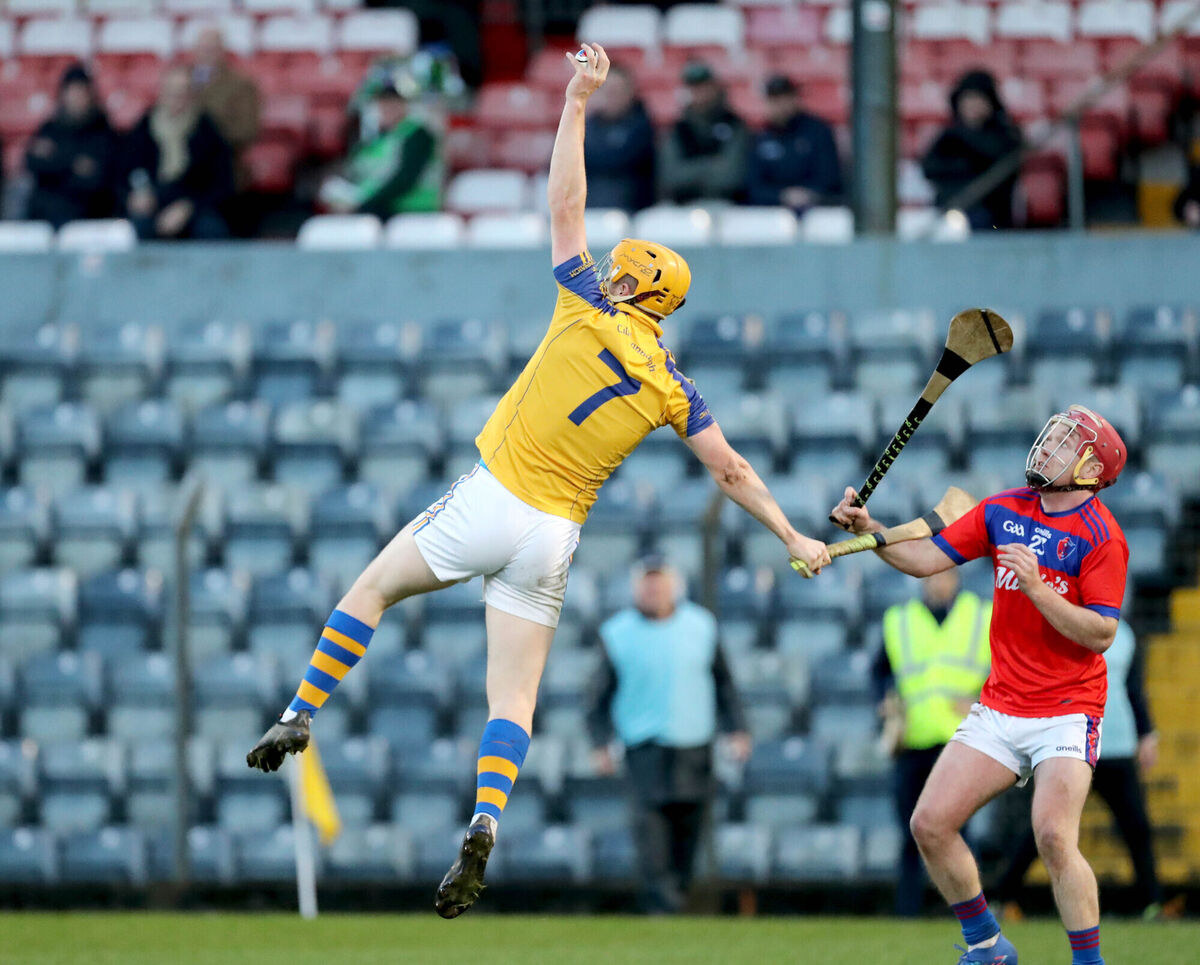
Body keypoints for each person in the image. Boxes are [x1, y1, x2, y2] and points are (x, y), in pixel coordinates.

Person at [247, 42, 829, 920]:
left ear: (629, 283)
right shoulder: (675, 385)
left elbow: (565, 201)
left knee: (371, 587)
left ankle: (301, 709)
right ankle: (485, 820)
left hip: (493, 496)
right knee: (511, 696)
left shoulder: (585, 301)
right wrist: (791, 534)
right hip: (554, 537)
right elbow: (733, 468)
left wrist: (577, 102)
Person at [831, 403, 1128, 965]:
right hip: (1002, 704)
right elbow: (926, 560)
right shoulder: (1003, 510)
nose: (1046, 447)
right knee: (930, 824)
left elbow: (1102, 634)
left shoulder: (1102, 537)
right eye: (1051, 436)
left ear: (1090, 467)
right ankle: (988, 945)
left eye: (1065, 444)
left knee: (1054, 837)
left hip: (1068, 707)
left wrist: (1040, 591)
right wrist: (873, 531)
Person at [585, 555, 752, 914]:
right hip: (644, 747)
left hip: (694, 746)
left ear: (674, 587)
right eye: (647, 584)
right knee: (651, 835)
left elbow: (724, 684)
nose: (653, 591)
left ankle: (675, 900)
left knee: (688, 833)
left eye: (659, 583)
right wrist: (600, 742)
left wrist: (737, 728)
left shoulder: (701, 626)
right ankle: (660, 908)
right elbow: (598, 696)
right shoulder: (618, 633)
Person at [993, 617, 1168, 921]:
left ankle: (1151, 903)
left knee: (1136, 828)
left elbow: (1132, 687)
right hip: (1071, 746)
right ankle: (1004, 895)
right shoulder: (1059, 623)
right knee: (1046, 828)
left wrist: (1146, 734)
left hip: (1116, 746)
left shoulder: (1124, 632)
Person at [873, 567, 991, 917]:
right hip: (913, 741)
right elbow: (879, 671)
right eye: (931, 576)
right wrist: (886, 699)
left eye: (944, 575)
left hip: (962, 741)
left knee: (960, 832)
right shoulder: (900, 620)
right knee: (911, 831)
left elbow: (1008, 668)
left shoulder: (982, 614)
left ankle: (969, 915)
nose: (937, 582)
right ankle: (908, 913)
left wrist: (982, 698)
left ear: (956, 578)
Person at [122, 65, 234, 240]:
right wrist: (135, 195)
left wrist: (188, 207)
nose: (176, 98)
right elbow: (125, 171)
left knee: (212, 230)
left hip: (194, 204)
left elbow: (222, 184)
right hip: (152, 202)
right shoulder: (144, 126)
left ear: (192, 95)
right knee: (135, 230)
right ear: (162, 92)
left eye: (183, 92)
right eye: (171, 91)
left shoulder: (207, 130)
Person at [317, 73, 442, 216]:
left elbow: (404, 179)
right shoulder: (377, 139)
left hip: (411, 212)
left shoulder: (418, 135)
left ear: (405, 105)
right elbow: (357, 174)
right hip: (377, 208)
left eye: (393, 102)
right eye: (383, 102)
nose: (387, 108)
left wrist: (361, 204)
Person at [921, 70, 1022, 231]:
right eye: (967, 98)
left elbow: (1002, 166)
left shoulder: (1006, 135)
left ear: (991, 102)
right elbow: (929, 168)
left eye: (978, 98)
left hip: (992, 217)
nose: (972, 104)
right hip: (950, 211)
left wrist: (968, 146)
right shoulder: (948, 136)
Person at [25, 64, 120, 228]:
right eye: (72, 91)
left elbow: (96, 180)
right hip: (43, 212)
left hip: (86, 213)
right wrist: (74, 163)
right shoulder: (50, 127)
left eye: (82, 91)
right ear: (63, 94)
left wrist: (55, 158)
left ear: (91, 95)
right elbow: (31, 162)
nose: (77, 97)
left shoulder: (104, 131)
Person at [746, 74, 842, 211]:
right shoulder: (760, 137)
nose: (780, 105)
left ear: (795, 98)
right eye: (774, 99)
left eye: (785, 97)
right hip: (770, 212)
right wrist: (782, 196)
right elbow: (753, 185)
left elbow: (830, 176)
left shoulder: (818, 131)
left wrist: (808, 194)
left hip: (818, 210)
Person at [659, 60, 749, 205]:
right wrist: (712, 165)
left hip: (727, 207)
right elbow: (670, 177)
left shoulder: (735, 125)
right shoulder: (677, 129)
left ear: (715, 88)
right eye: (694, 88)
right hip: (683, 208)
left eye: (704, 86)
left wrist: (690, 169)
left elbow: (732, 176)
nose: (700, 94)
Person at [189, 26, 260, 190]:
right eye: (203, 48)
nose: (207, 53)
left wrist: (207, 137)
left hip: (222, 168)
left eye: (212, 48)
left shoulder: (241, 84)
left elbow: (247, 130)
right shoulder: (179, 79)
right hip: (180, 169)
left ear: (223, 51)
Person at [584, 64, 656, 213]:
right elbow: (560, 160)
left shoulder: (642, 126)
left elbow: (623, 159)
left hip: (631, 212)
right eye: (606, 90)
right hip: (587, 212)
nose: (611, 96)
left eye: (616, 91)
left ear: (630, 92)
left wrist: (584, 156)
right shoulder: (585, 125)